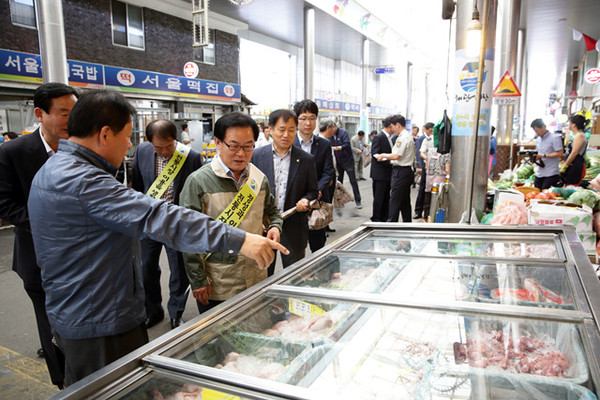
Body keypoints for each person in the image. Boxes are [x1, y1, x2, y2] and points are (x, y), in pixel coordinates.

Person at [27, 89, 288, 386]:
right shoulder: (85, 181)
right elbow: (162, 217)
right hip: (101, 321)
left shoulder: (55, 168)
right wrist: (242, 240)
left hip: (81, 311)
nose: (130, 146)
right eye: (127, 136)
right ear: (104, 134)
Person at [0, 82, 78, 389]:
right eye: (63, 113)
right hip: (38, 259)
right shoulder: (13, 152)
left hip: (80, 258)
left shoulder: (80, 148)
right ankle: (63, 383)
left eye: (75, 113)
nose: (70, 121)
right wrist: (50, 223)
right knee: (50, 325)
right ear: (39, 114)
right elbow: (5, 205)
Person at [180, 112, 283, 314]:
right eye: (233, 146)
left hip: (255, 275)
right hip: (218, 281)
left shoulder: (258, 179)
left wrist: (274, 226)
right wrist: (198, 279)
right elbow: (188, 234)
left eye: (248, 146)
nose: (241, 154)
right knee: (218, 340)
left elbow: (273, 212)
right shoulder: (198, 181)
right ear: (218, 143)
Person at [131, 120, 203, 330]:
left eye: (168, 146)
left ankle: (176, 313)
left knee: (178, 271)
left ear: (176, 140)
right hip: (149, 220)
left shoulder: (190, 157)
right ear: (149, 142)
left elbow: (196, 191)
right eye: (158, 147)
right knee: (146, 268)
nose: (163, 152)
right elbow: (136, 185)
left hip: (176, 222)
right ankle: (152, 310)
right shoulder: (142, 151)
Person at [251, 109, 318, 276]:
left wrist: (306, 200)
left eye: (291, 129)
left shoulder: (306, 159)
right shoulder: (256, 156)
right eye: (281, 129)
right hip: (263, 226)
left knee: (294, 275)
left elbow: (312, 191)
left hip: (294, 225)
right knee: (262, 274)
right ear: (270, 129)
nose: (286, 134)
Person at [293, 99, 335, 252]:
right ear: (296, 120)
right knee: (295, 247)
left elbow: (328, 171)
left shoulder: (323, 144)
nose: (308, 123)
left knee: (318, 245)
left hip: (318, 202)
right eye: (303, 118)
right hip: (295, 202)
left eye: (312, 118)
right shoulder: (289, 144)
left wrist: (316, 190)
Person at [375, 115, 415, 222]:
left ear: (398, 125)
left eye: (392, 126)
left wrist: (383, 155)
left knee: (395, 200)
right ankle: (407, 223)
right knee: (404, 201)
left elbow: (396, 156)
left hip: (401, 172)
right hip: (406, 171)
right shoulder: (408, 136)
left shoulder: (402, 138)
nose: (392, 129)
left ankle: (391, 224)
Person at [321, 119, 362, 208]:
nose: (332, 131)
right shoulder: (330, 135)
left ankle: (358, 200)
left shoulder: (343, 133)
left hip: (347, 161)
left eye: (333, 128)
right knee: (339, 182)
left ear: (335, 126)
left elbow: (347, 145)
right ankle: (340, 202)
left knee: (353, 181)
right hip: (338, 162)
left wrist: (335, 148)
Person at [369, 117, 396, 222]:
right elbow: (375, 153)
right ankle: (376, 218)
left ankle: (384, 216)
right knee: (379, 197)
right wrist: (388, 160)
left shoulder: (390, 137)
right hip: (379, 174)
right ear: (390, 126)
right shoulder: (379, 137)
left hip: (387, 173)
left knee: (385, 196)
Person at [531, 118, 564, 190]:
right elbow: (539, 152)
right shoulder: (538, 139)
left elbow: (560, 153)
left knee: (546, 197)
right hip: (539, 173)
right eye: (534, 131)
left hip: (551, 173)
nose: (536, 133)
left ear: (543, 127)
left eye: (537, 130)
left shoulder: (554, 138)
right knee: (536, 194)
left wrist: (544, 155)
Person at [423, 146, 451, 220]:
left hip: (429, 178)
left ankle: (426, 217)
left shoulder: (429, 151)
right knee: (439, 201)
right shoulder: (446, 153)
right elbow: (447, 170)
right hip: (440, 179)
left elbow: (426, 166)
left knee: (428, 198)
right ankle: (436, 218)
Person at [560, 114, 589, 185]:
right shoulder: (575, 135)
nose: (568, 124)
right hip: (571, 165)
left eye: (569, 122)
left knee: (572, 187)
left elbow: (574, 153)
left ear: (574, 125)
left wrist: (565, 165)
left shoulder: (580, 135)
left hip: (576, 166)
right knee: (568, 186)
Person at [413, 123, 433, 219]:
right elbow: (419, 153)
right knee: (422, 189)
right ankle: (418, 211)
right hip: (426, 167)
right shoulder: (423, 139)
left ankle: (429, 212)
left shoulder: (438, 140)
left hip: (436, 170)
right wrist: (420, 166)